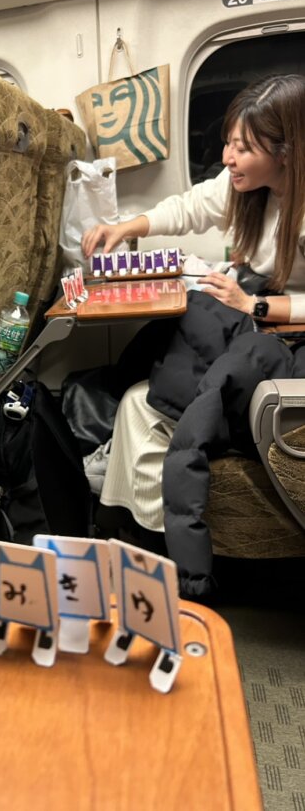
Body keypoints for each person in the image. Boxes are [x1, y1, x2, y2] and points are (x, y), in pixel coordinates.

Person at [79, 73, 305, 597]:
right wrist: (126, 227)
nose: (228, 157)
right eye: (229, 142)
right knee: (153, 361)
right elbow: (190, 206)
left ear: (286, 152)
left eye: (243, 148)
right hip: (262, 317)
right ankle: (133, 536)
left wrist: (255, 304)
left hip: (285, 334)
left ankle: (165, 560)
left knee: (150, 397)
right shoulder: (250, 190)